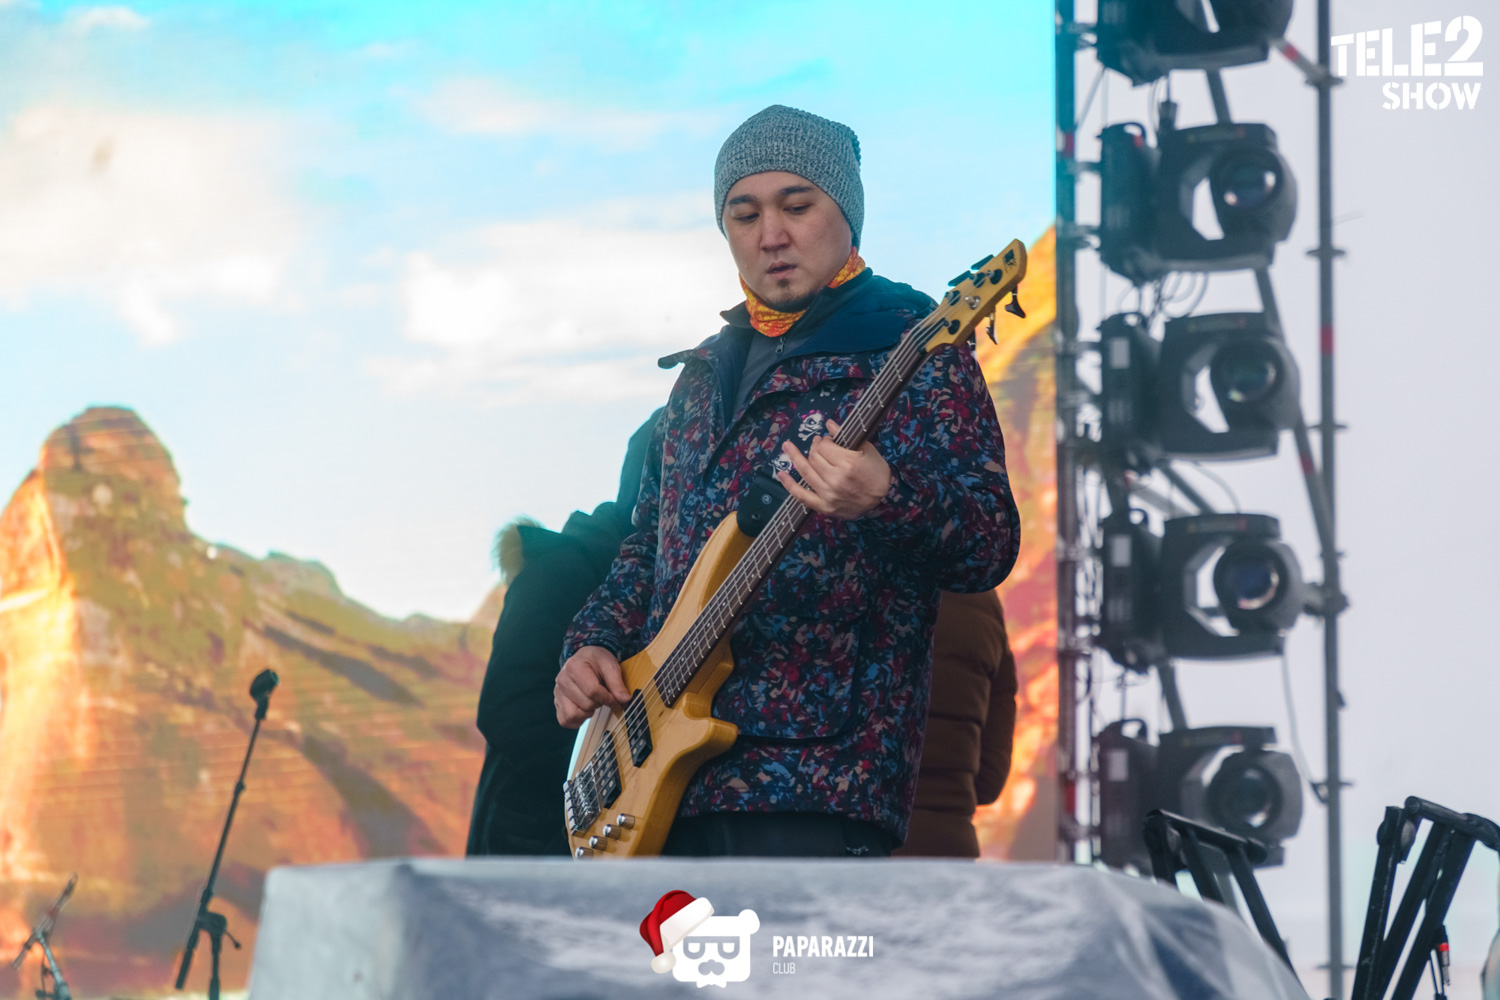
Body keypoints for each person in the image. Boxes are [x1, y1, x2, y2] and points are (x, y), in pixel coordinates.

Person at [554, 104, 1021, 857]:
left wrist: (887, 499)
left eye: (796, 206)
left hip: (815, 784)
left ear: (847, 214)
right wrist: (592, 642)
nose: (770, 234)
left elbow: (990, 539)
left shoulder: (914, 342)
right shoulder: (699, 375)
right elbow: (648, 547)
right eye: (744, 215)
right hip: (659, 788)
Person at [466, 411, 660, 856]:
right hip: (528, 846)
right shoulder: (560, 569)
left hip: (590, 835)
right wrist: (622, 763)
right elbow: (507, 711)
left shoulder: (641, 572)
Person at [891, 590, 1018, 859]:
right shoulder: (983, 598)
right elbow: (989, 781)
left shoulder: (846, 578)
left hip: (864, 846)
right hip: (950, 846)